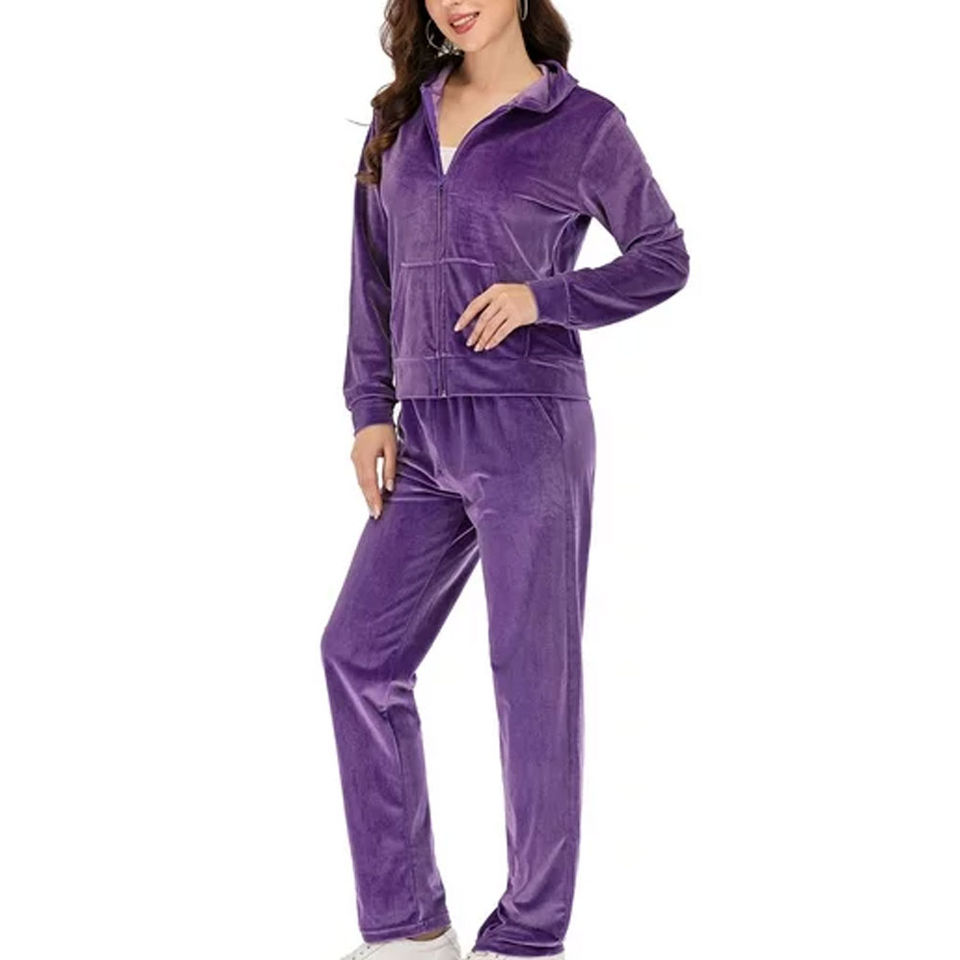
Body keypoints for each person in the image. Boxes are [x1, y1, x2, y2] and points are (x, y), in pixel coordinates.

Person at [320, 1, 689, 958]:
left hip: (529, 426)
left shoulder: (583, 124)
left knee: (533, 683)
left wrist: (545, 298)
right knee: (358, 654)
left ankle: (527, 935)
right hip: (422, 437)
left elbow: (664, 256)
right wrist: (368, 409)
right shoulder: (400, 121)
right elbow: (372, 276)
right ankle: (409, 930)